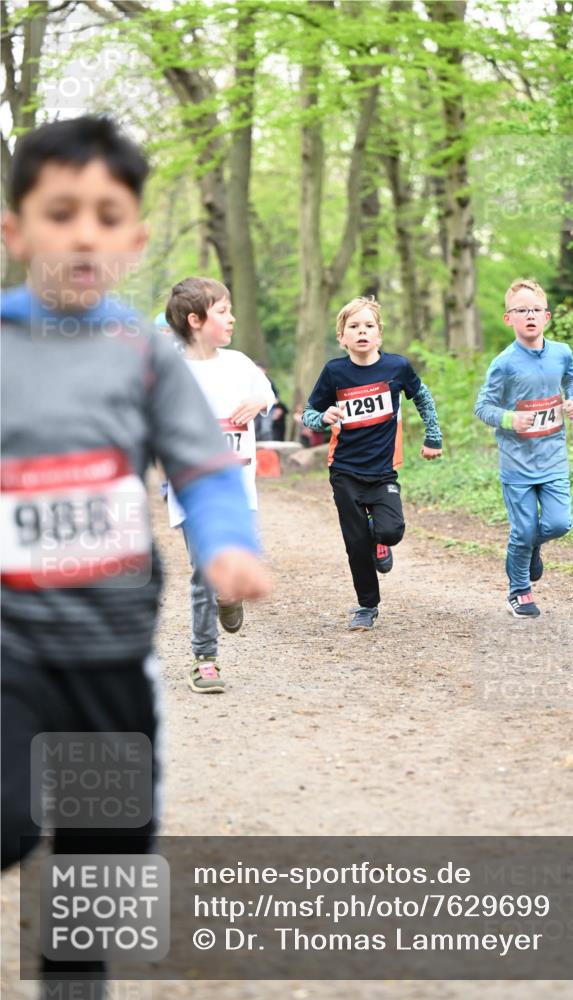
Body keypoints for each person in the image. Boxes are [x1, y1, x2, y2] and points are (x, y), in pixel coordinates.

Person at [0, 116, 271, 988]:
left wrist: (227, 547)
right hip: (10, 647)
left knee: (104, 856)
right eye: (60, 210)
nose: (84, 231)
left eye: (107, 214)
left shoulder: (145, 356)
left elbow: (204, 468)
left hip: (111, 651)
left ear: (135, 239)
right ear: (15, 230)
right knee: (8, 821)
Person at [302, 296, 442, 631]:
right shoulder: (334, 372)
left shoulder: (396, 368)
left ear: (379, 334)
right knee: (355, 544)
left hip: (382, 472)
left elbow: (422, 397)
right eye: (354, 327)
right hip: (345, 470)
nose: (362, 332)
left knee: (391, 531)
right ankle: (367, 606)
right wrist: (324, 417)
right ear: (342, 337)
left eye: (369, 326)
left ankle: (380, 541)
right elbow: (308, 415)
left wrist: (433, 435)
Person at [165, 277, 275, 692]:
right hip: (191, 491)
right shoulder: (170, 370)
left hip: (237, 490)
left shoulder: (239, 364)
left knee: (230, 576)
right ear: (195, 320)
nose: (232, 318)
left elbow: (267, 392)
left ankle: (229, 599)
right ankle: (205, 658)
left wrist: (260, 402)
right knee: (203, 573)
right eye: (223, 311)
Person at [474, 277, 573, 618]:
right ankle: (519, 590)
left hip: (553, 457)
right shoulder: (503, 363)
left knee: (559, 524)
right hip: (517, 462)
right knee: (522, 529)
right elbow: (483, 407)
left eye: (536, 309)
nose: (530, 315)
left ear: (547, 316)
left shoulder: (562, 353)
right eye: (521, 310)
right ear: (509, 319)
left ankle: (532, 546)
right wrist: (509, 420)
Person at [254, 362, 288, 442]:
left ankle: (267, 447)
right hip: (255, 408)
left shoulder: (269, 382)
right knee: (255, 428)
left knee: (266, 429)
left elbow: (276, 397)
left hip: (267, 409)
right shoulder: (252, 382)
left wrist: (276, 407)